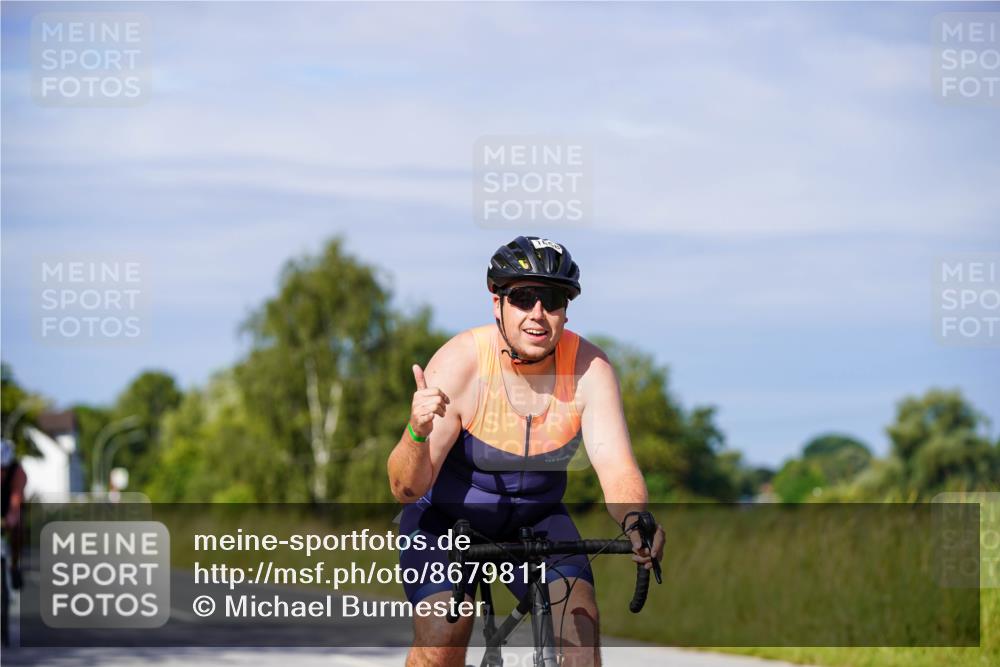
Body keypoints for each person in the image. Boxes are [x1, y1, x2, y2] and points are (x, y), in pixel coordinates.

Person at [387, 236, 665, 667]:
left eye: (551, 300)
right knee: (442, 635)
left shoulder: (590, 369)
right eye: (523, 298)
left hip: (539, 521)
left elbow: (616, 467)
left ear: (565, 310)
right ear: (497, 303)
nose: (538, 313)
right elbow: (405, 488)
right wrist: (416, 433)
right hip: (445, 522)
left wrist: (634, 520)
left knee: (580, 636)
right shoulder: (460, 363)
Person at [2, 438, 27, 647]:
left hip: (8, 506)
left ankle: (14, 565)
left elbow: (15, 502)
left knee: (19, 527)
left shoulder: (18, 472)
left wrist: (10, 520)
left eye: (3, 469)